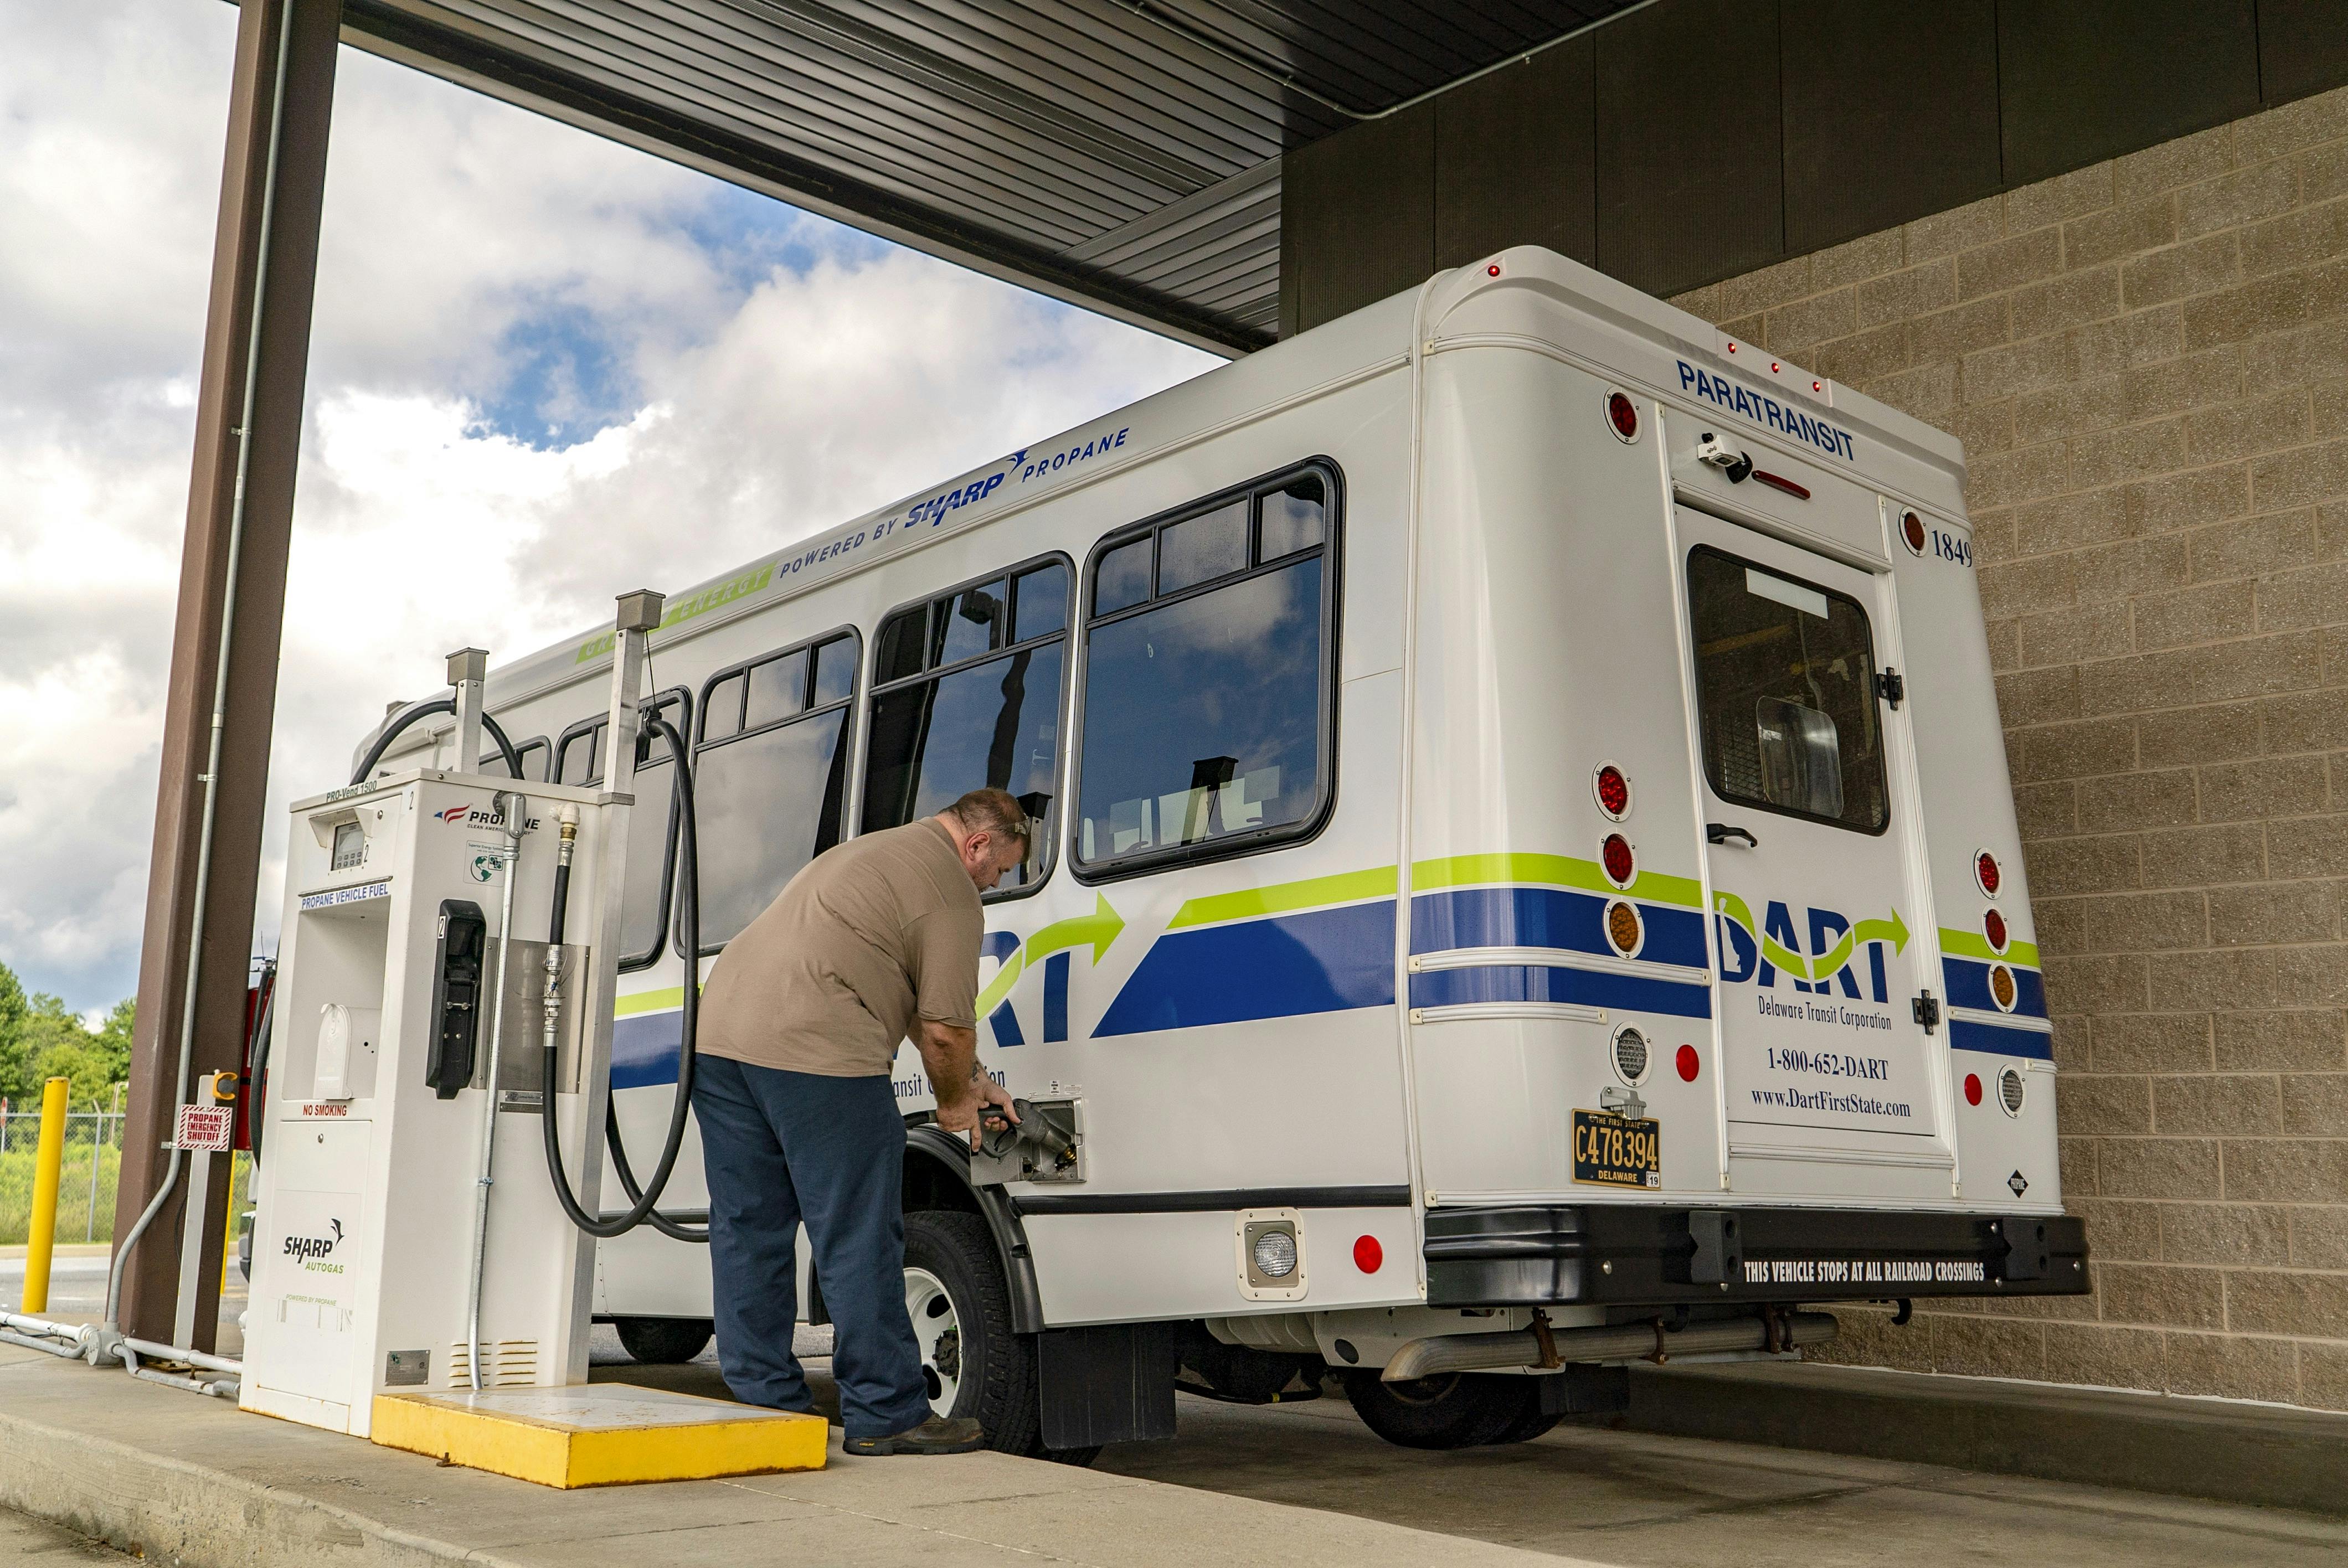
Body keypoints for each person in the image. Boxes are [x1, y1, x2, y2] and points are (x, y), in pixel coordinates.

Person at [692, 787, 1026, 1456]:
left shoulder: (876, 850)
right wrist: (958, 1104)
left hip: (718, 1042)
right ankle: (887, 1412)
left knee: (748, 1229)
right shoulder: (951, 892)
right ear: (979, 843)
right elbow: (942, 1033)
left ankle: (766, 1409)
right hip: (816, 1051)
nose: (997, 882)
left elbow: (889, 983)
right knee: (857, 1231)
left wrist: (978, 1080)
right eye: (1003, 868)